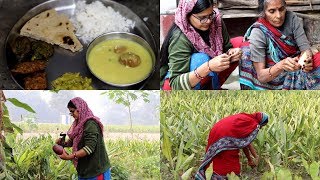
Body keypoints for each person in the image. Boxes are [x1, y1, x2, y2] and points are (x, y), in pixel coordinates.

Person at [160, 0, 243, 90]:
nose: (208, 21)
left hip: (206, 72)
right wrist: (208, 67)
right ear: (187, 15)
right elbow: (175, 84)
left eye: (210, 15)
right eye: (202, 17)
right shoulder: (180, 38)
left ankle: (210, 87)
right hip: (174, 86)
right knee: (201, 59)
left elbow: (227, 47)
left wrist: (231, 53)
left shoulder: (216, 21)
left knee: (241, 43)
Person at [239, 0, 320, 90]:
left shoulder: (292, 18)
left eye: (281, 9)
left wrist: (306, 60)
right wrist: (281, 65)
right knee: (246, 52)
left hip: (294, 66)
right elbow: (261, 77)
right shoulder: (258, 32)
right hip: (272, 76)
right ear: (263, 12)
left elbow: (305, 48)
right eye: (272, 11)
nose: (278, 16)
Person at [195, 112, 269, 179]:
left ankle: (208, 175)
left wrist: (255, 156)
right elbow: (244, 143)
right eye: (263, 125)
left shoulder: (247, 118)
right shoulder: (254, 124)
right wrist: (250, 159)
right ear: (261, 122)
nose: (261, 127)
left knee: (217, 156)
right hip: (226, 134)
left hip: (216, 130)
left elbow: (246, 142)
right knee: (230, 161)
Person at [56, 97, 111, 180]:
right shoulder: (78, 123)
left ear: (80, 109)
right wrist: (63, 143)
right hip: (84, 169)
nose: (72, 115)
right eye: (70, 113)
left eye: (72, 112)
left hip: (96, 170)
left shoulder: (91, 124)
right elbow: (73, 141)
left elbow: (89, 148)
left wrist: (70, 156)